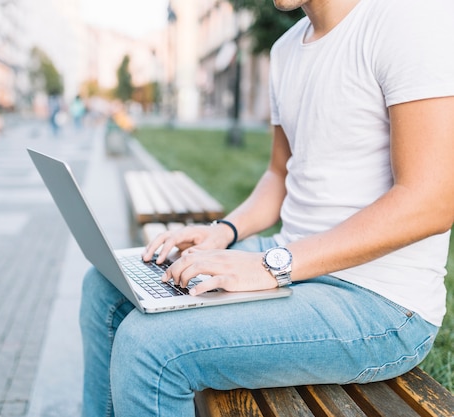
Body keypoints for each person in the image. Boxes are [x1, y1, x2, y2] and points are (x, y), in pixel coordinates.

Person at [79, 0, 454, 416]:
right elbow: (280, 174)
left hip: (380, 303)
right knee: (104, 287)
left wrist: (269, 266)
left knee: (149, 347)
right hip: (295, 266)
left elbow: (432, 200)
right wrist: (223, 232)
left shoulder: (410, 17)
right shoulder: (285, 48)